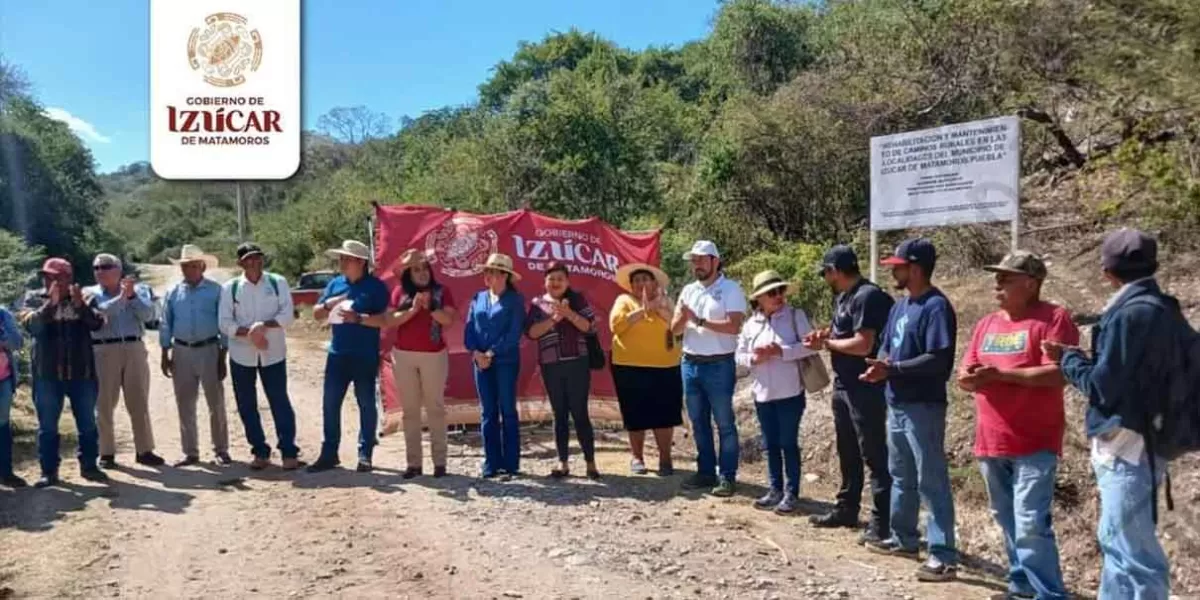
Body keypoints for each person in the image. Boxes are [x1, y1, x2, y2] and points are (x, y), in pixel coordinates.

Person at [1045, 229, 1174, 600]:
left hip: (1127, 444)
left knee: (1135, 553)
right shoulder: (1161, 308)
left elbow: (1102, 386)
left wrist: (1066, 358)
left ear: (1107, 272)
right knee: (1117, 541)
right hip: (1144, 439)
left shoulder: (1128, 315)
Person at [958, 251, 1078, 600]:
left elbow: (1060, 373)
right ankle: (1021, 585)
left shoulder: (1054, 319)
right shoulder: (986, 324)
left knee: (1029, 523)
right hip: (991, 439)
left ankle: (1050, 594)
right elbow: (966, 373)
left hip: (1035, 440)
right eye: (997, 276)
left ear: (1031, 283)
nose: (997, 283)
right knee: (1006, 517)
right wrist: (970, 378)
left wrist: (1002, 376)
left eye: (1006, 277)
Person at [860, 237, 959, 582]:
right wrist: (880, 366)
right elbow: (888, 346)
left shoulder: (936, 307)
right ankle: (904, 539)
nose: (894, 272)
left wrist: (894, 370)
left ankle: (943, 554)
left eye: (898, 267)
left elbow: (939, 359)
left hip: (924, 407)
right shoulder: (900, 306)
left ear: (914, 268)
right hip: (897, 403)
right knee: (901, 475)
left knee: (931, 480)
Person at [805, 245, 894, 542]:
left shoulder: (868, 296)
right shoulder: (844, 297)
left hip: (866, 385)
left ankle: (882, 522)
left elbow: (863, 344)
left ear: (836, 271)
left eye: (827, 273)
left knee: (873, 453)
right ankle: (847, 508)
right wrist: (824, 336)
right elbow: (843, 333)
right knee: (848, 450)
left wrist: (829, 345)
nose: (826, 279)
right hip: (844, 383)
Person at [365, 248, 456, 479]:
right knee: (410, 411)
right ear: (408, 274)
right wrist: (413, 309)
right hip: (404, 356)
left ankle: (440, 463)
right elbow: (390, 319)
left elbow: (449, 318)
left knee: (435, 408)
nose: (422, 272)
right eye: (416, 269)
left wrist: (430, 308)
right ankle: (413, 463)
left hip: (434, 354)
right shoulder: (400, 292)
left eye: (425, 267)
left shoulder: (441, 291)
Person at [17, 258, 107, 487]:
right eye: (47, 277)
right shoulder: (33, 298)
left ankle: (89, 466)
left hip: (82, 373)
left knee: (87, 422)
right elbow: (31, 326)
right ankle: (49, 472)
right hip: (47, 374)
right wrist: (50, 305)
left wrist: (80, 307)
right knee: (47, 426)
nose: (50, 281)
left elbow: (98, 324)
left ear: (69, 278)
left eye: (57, 277)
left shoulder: (85, 297)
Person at [735, 270, 817, 514]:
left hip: (790, 391)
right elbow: (739, 356)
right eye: (772, 293)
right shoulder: (751, 324)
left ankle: (791, 493)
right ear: (759, 298)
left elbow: (811, 346)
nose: (779, 296)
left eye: (781, 291)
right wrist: (754, 358)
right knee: (770, 444)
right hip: (762, 394)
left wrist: (781, 352)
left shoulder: (795, 316)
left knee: (788, 442)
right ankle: (775, 489)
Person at [308, 240, 390, 473]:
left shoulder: (376, 287)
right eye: (341, 258)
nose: (342, 262)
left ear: (361, 262)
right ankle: (329, 453)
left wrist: (360, 318)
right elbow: (316, 314)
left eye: (347, 258)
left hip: (364, 355)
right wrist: (327, 305)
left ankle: (365, 453)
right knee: (330, 404)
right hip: (337, 355)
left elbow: (385, 320)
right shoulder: (334, 284)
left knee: (366, 404)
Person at [218, 243, 303, 471]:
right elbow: (225, 323)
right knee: (247, 404)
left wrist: (262, 327)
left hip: (273, 352)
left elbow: (286, 315)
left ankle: (288, 450)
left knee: (279, 401)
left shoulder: (277, 282)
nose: (254, 262)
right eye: (248, 259)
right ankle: (259, 450)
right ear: (240, 263)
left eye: (257, 258)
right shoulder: (230, 288)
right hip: (241, 355)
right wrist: (250, 334)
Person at [673, 240, 747, 497]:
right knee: (697, 421)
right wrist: (683, 319)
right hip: (690, 362)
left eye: (701, 259)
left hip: (719, 363)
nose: (696, 265)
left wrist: (700, 320)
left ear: (715, 261)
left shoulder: (731, 289)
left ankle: (727, 476)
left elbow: (733, 326)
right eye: (693, 260)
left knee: (724, 422)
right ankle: (705, 471)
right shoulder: (688, 290)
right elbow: (673, 330)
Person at [86, 253, 165, 469]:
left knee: (138, 400)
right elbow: (97, 315)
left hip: (134, 347)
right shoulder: (89, 293)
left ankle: (145, 450)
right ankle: (106, 452)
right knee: (103, 403)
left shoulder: (140, 290)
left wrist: (131, 297)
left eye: (106, 266)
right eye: (97, 267)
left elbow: (149, 316)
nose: (100, 271)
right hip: (103, 349)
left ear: (119, 269)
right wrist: (121, 298)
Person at [526, 262, 598, 480]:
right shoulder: (537, 304)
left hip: (578, 363)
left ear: (567, 282)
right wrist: (554, 319)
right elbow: (532, 333)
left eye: (560, 278)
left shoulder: (578, 299)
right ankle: (563, 462)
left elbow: (589, 327)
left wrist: (569, 314)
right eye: (551, 278)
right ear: (545, 282)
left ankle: (590, 463)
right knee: (559, 414)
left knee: (580, 413)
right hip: (551, 365)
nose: (555, 282)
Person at [160, 244, 231, 467]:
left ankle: (221, 449)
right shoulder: (173, 292)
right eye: (184, 266)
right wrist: (165, 352)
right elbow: (165, 323)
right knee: (185, 403)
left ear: (202, 266)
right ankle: (190, 452)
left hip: (209, 349)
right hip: (181, 350)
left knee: (215, 402)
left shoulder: (215, 290)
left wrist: (223, 355)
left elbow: (223, 323)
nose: (187, 270)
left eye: (192, 265)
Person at [610, 262, 682, 476]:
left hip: (665, 365)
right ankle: (637, 457)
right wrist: (643, 311)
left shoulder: (666, 301)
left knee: (665, 414)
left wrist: (659, 308)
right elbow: (616, 325)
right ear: (631, 285)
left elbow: (677, 325)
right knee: (635, 413)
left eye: (645, 279)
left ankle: (665, 459)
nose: (641, 283)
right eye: (637, 280)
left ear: (654, 283)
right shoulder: (623, 300)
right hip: (629, 366)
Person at [464, 253, 526, 480]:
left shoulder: (515, 300)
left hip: (506, 361)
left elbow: (514, 332)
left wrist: (491, 352)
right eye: (486, 271)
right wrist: (476, 352)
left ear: (504, 276)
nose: (486, 275)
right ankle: (491, 462)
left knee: (507, 410)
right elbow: (470, 327)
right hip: (481, 362)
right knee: (488, 412)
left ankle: (511, 463)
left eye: (491, 271)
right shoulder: (477, 297)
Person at [0, 304, 26, 487]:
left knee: (2, 425)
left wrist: (2, 337)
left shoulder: (3, 314)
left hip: (3, 380)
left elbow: (18, 342)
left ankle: (6, 473)